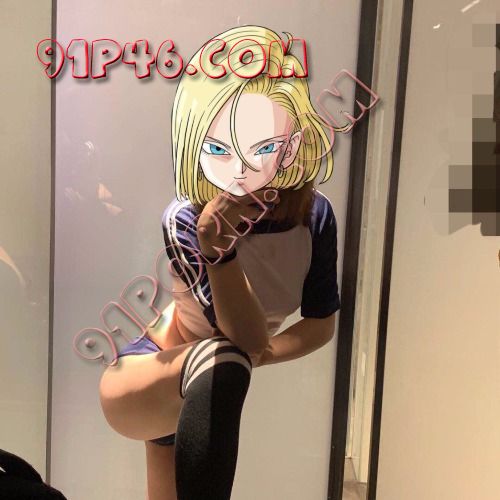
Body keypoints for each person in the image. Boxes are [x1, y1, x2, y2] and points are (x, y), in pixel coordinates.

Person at [99, 25, 342, 500]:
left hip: (215, 384)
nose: (240, 167)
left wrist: (261, 353)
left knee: (225, 366)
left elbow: (319, 325)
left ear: (293, 144)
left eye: (264, 146)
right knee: (222, 361)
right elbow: (243, 338)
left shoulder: (314, 216)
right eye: (217, 148)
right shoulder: (186, 219)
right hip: (153, 375)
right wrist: (217, 250)